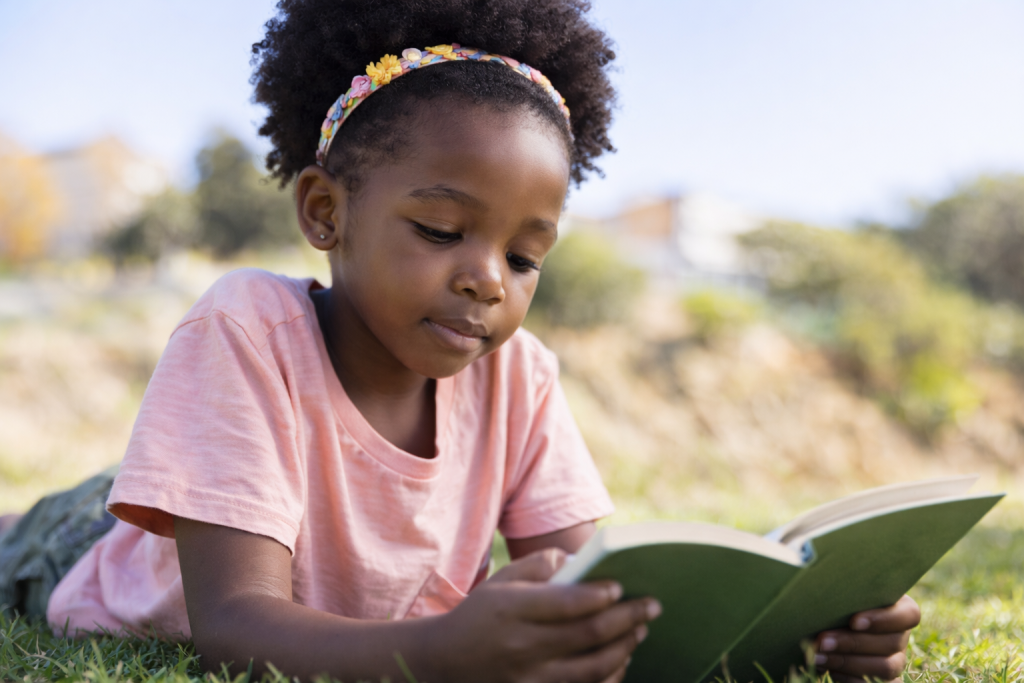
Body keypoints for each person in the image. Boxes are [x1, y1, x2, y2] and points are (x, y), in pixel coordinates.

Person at [0, 1, 920, 681]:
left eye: (524, 256)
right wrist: (440, 653)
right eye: (442, 231)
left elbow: (606, 588)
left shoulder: (521, 375)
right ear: (325, 211)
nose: (488, 278)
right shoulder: (246, 326)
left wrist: (799, 634)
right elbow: (235, 628)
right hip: (99, 548)